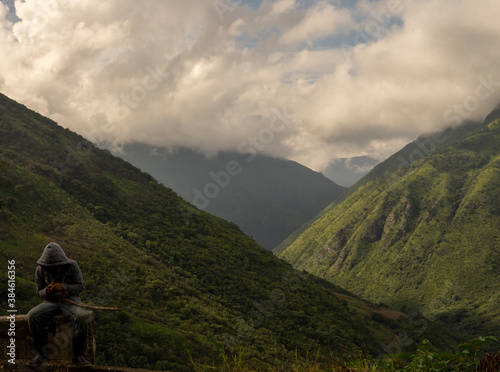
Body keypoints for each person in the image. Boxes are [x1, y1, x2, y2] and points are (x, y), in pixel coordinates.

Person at [27, 242, 91, 366]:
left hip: (71, 301)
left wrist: (64, 287)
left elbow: (80, 286)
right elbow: (39, 291)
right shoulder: (40, 270)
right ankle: (41, 354)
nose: (52, 268)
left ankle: (78, 356)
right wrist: (47, 291)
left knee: (81, 316)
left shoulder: (72, 266)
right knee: (32, 316)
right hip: (50, 302)